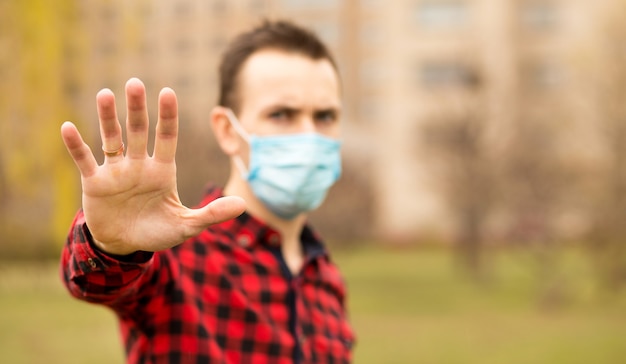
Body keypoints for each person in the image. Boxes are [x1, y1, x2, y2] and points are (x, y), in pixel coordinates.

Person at [59, 20, 355, 363]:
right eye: (282, 114)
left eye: (325, 116)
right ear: (228, 130)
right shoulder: (174, 256)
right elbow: (95, 281)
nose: (308, 135)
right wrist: (111, 245)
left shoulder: (326, 276)